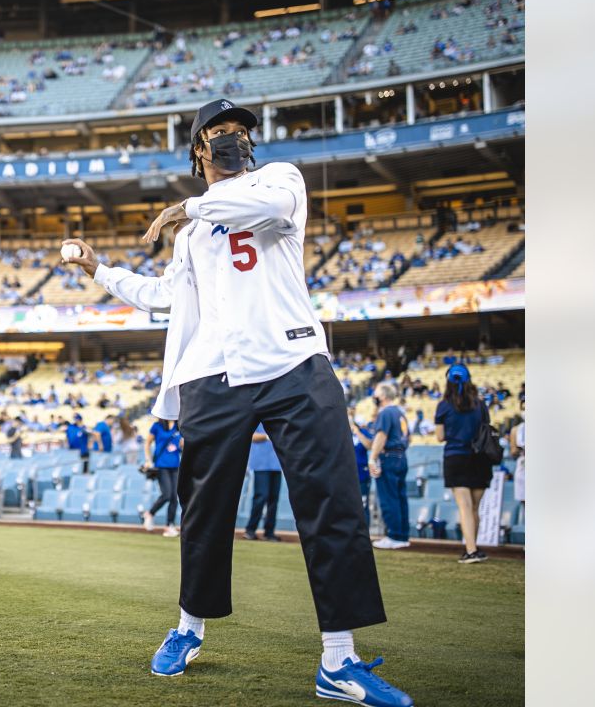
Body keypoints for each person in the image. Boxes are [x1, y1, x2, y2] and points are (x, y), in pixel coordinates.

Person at [62, 97, 408, 705]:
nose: (230, 140)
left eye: (238, 132)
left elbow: (265, 207)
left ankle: (339, 658)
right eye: (217, 134)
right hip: (212, 374)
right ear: (198, 150)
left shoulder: (278, 181)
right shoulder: (192, 232)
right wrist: (102, 272)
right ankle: (187, 629)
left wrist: (185, 206)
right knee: (204, 510)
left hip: (293, 361)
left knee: (331, 501)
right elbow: (166, 296)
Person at [434, 364, 491, 563]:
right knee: (475, 507)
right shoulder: (480, 404)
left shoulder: (444, 405)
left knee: (465, 507)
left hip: (455, 457)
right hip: (479, 458)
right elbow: (487, 430)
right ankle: (473, 547)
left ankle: (471, 550)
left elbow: (440, 437)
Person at [369, 382, 411, 550]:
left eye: (377, 393)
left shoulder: (386, 412)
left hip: (389, 456)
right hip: (401, 456)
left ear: (384, 396)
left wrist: (372, 458)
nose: (375, 396)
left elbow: (381, 436)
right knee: (401, 498)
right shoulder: (401, 413)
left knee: (389, 497)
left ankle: (394, 535)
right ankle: (402, 535)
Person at [243, 424, 283, 541]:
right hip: (260, 464)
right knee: (261, 496)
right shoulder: (258, 419)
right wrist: (267, 437)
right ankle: (250, 530)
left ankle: (269, 532)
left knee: (273, 499)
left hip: (277, 464)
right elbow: (251, 436)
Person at [144, 418, 182, 536]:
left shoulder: (179, 426)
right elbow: (147, 443)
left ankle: (169, 525)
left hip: (175, 465)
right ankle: (150, 513)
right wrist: (148, 460)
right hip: (161, 465)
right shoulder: (157, 426)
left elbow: (181, 445)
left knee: (174, 497)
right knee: (166, 494)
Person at [350, 408, 376, 527]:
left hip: (361, 475)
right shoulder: (342, 433)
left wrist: (358, 432)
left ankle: (365, 532)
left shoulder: (363, 432)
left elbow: (369, 445)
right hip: (346, 475)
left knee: (363, 504)